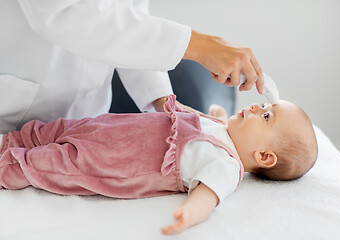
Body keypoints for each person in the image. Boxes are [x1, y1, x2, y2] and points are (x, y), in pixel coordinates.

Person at [0, 95, 318, 235]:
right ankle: (11, 141)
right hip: (107, 127)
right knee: (55, 130)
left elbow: (208, 197)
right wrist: (220, 115)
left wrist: (188, 216)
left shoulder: (225, 165)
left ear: (264, 157)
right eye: (263, 105)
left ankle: (8, 166)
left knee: (54, 164)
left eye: (266, 115)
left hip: (113, 161)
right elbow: (204, 120)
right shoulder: (222, 130)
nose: (256, 106)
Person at [0, 1, 264, 134]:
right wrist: (198, 45)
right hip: (13, 113)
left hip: (84, 126)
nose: (255, 109)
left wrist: (163, 100)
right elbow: (61, 13)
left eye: (267, 116)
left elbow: (129, 21)